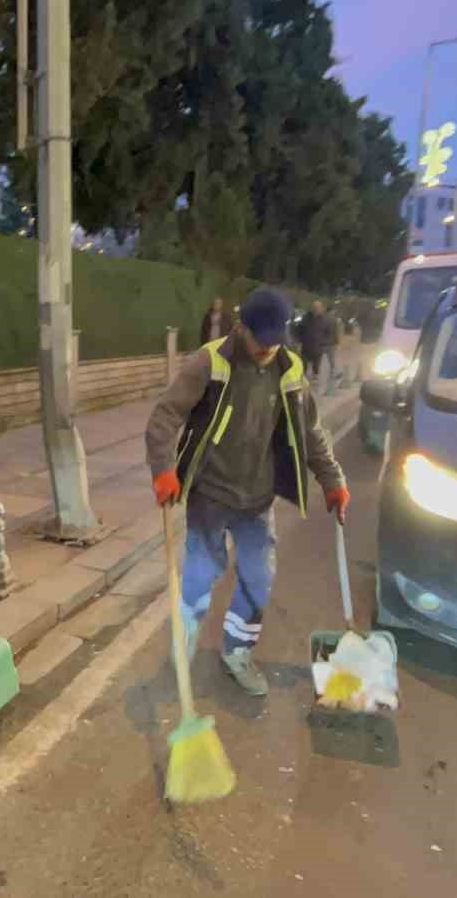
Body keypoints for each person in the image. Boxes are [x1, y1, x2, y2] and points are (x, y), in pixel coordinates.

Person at [145, 287, 350, 696]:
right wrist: (164, 468)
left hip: (258, 497)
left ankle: (238, 650)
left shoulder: (289, 369)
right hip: (211, 492)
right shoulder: (210, 361)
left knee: (259, 578)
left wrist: (332, 480)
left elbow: (310, 432)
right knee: (202, 573)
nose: (267, 349)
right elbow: (166, 415)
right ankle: (184, 638)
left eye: (276, 341)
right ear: (241, 327)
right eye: (261, 340)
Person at [296, 300, 338, 396]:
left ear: (322, 308)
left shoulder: (325, 319)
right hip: (306, 346)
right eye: (314, 307)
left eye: (318, 308)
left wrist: (324, 342)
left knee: (316, 364)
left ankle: (315, 380)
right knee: (304, 364)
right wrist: (299, 341)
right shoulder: (305, 318)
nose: (316, 309)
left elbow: (329, 333)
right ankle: (303, 382)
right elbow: (299, 330)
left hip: (318, 347)